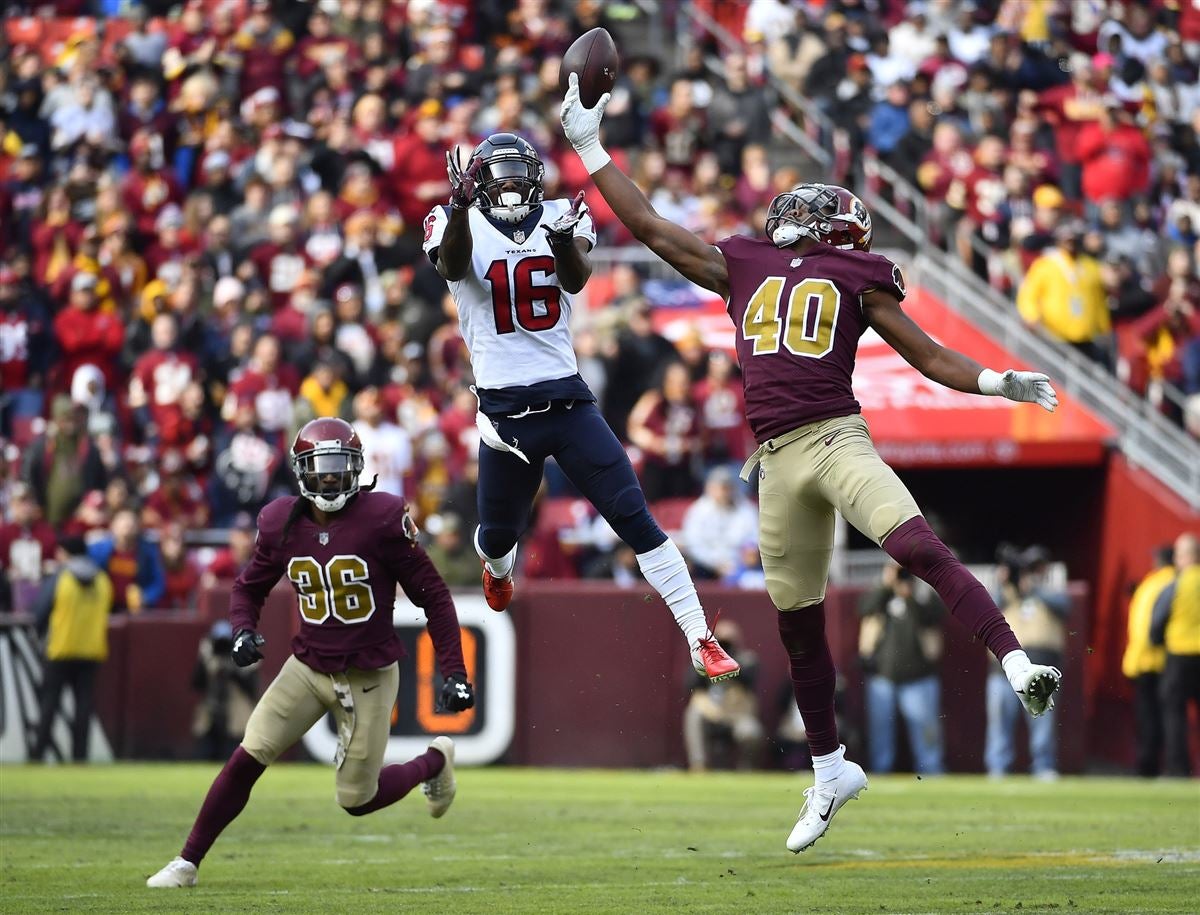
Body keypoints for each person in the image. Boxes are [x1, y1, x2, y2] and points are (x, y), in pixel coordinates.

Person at [561, 81, 1062, 854]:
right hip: (775, 460)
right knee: (797, 627)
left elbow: (927, 355)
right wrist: (590, 148)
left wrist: (999, 382)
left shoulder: (855, 276)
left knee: (916, 547)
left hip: (836, 437)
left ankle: (1017, 660)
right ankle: (830, 771)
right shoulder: (747, 263)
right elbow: (655, 230)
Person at [421, 132, 738, 683]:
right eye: (502, 175)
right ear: (477, 181)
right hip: (506, 421)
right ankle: (496, 567)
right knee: (498, 536)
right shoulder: (455, 219)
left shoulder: (562, 214)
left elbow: (576, 277)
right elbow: (450, 267)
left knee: (637, 520)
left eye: (521, 172)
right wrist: (456, 209)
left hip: (567, 402)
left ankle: (699, 637)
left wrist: (565, 241)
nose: (515, 184)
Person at [146, 417, 476, 888]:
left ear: (357, 469)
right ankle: (187, 862)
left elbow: (435, 597)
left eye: (339, 468)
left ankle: (435, 761)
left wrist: (455, 671)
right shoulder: (280, 521)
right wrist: (243, 629)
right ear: (301, 472)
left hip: (368, 674)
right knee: (249, 754)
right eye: (319, 469)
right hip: (307, 666)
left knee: (356, 799)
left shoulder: (381, 518)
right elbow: (248, 587)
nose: (328, 479)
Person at [984, 547, 1068, 780]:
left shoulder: (1050, 592)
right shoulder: (1005, 594)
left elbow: (1065, 606)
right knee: (1000, 723)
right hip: (1003, 671)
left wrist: (1033, 588)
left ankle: (1043, 765)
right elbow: (987, 607)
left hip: (1041, 669)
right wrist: (1005, 583)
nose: (1030, 574)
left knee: (1042, 724)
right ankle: (998, 767)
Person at [30, 535, 114, 762]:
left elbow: (41, 610)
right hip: (91, 650)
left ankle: (39, 754)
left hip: (60, 649)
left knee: (49, 704)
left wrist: (38, 636)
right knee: (84, 708)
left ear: (65, 553)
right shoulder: (102, 579)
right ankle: (80, 757)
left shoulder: (61, 577)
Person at [858, 565, 945, 775]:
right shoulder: (882, 593)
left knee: (926, 735)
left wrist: (911, 594)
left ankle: (932, 773)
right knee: (881, 734)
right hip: (882, 676)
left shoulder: (923, 593)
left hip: (919, 677)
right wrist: (887, 586)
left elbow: (934, 616)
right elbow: (863, 608)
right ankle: (881, 772)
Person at [683, 620, 763, 771]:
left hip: (737, 714)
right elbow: (691, 684)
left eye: (728, 641)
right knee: (693, 715)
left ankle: (746, 769)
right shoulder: (704, 658)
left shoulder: (747, 658)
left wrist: (726, 659)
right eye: (721, 641)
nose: (724, 644)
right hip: (711, 713)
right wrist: (709, 655)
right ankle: (699, 765)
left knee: (751, 732)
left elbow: (748, 678)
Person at [1150, 533, 1200, 777]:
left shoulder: (1176, 584)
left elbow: (1158, 620)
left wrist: (1156, 640)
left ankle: (1178, 769)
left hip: (1179, 654)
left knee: (1174, 714)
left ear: (1187, 556)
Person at [1122, 545, 1175, 777]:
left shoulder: (1156, 583)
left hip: (1149, 660)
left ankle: (1149, 765)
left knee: (1152, 716)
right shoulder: (1164, 582)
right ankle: (1152, 764)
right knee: (1157, 716)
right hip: (1155, 659)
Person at [191, 620, 258, 762]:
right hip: (211, 716)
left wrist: (235, 669)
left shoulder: (244, 659)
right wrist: (205, 661)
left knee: (232, 757)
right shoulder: (209, 658)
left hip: (236, 718)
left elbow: (253, 689)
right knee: (204, 756)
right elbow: (197, 684)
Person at [680, 467, 758, 580]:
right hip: (707, 567)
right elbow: (693, 545)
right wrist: (716, 564)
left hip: (741, 566)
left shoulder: (747, 510)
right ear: (710, 488)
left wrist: (751, 551)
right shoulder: (698, 511)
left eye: (728, 488)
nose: (725, 493)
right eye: (721, 488)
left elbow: (754, 537)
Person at [87, 508, 166, 614]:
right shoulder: (97, 551)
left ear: (138, 527)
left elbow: (158, 582)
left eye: (131, 522)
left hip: (135, 611)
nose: (127, 525)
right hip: (105, 609)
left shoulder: (148, 553)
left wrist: (146, 598)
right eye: (123, 521)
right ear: (113, 526)